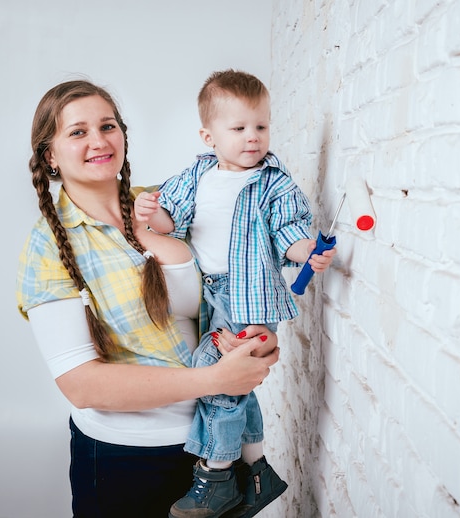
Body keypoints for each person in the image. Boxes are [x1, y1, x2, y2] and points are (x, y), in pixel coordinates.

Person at [16, 79, 281, 518]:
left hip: (216, 446)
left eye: (108, 125)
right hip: (127, 461)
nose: (99, 141)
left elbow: (231, 288)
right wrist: (216, 380)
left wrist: (254, 343)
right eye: (78, 132)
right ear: (50, 155)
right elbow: (81, 385)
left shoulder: (169, 204)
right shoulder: (47, 248)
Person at [134, 69, 336, 518]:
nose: (253, 138)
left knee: (216, 373)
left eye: (261, 126)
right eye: (239, 128)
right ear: (209, 135)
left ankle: (217, 476)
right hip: (210, 295)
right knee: (239, 386)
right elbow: (171, 219)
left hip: (248, 298)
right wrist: (151, 212)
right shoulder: (199, 174)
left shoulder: (273, 183)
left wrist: (308, 252)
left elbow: (289, 233)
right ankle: (258, 473)